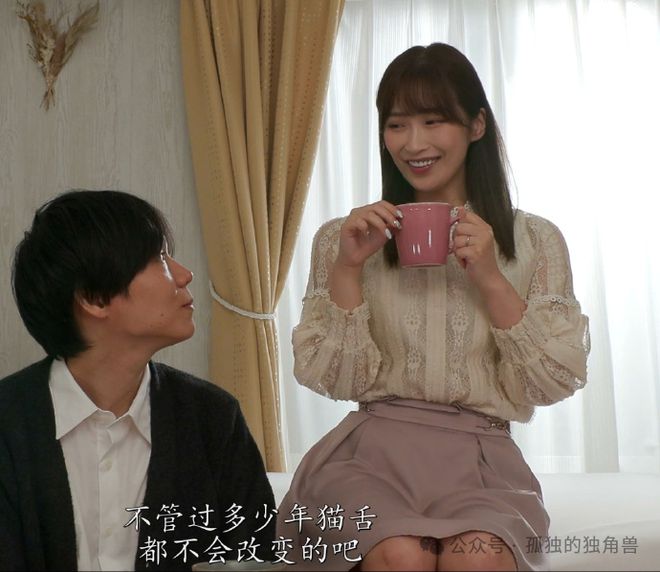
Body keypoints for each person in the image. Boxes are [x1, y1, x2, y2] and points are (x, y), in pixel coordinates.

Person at [276, 43, 590, 571]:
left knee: (479, 555)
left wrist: (490, 277)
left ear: (476, 125)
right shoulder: (344, 238)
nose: (413, 143)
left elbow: (551, 382)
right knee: (401, 553)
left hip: (481, 459)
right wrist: (348, 269)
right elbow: (337, 379)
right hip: (368, 459)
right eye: (397, 125)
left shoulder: (536, 241)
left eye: (433, 121)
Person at [0, 190, 276, 571]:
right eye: (159, 259)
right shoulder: (8, 426)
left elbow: (254, 554)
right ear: (94, 299)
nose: (185, 274)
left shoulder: (213, 418)